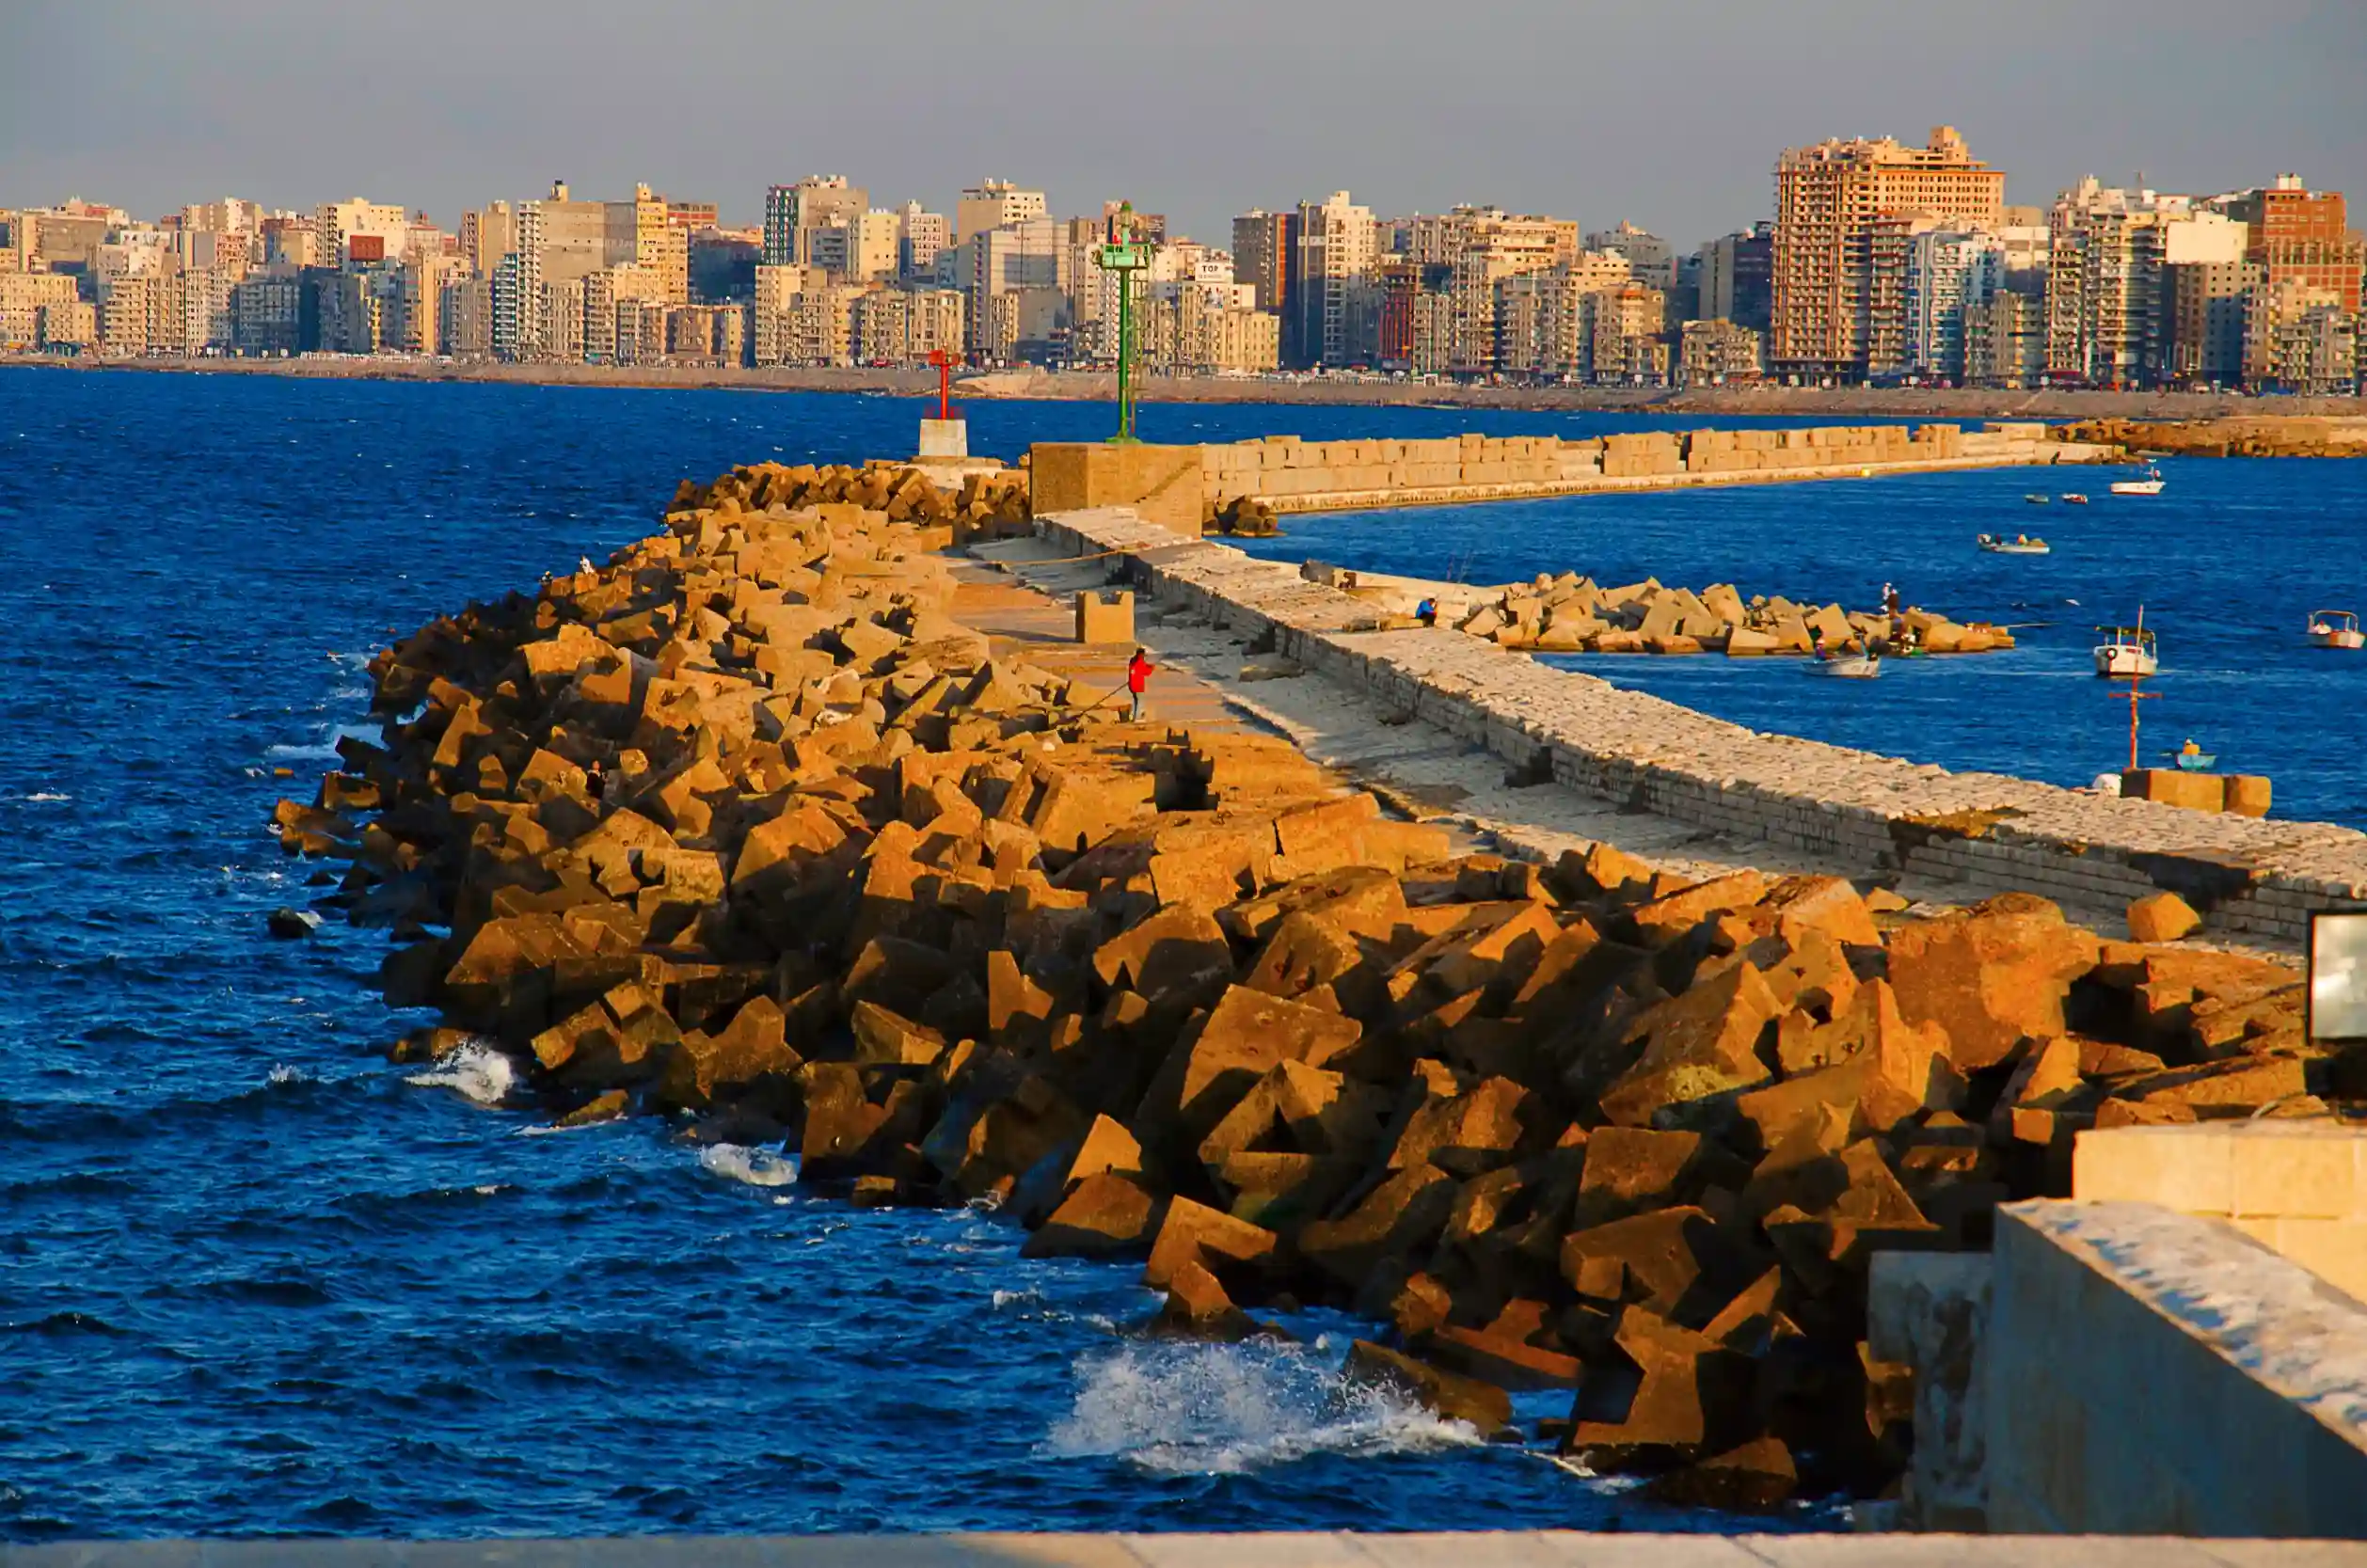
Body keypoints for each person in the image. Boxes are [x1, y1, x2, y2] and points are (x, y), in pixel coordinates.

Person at [1125, 646, 1155, 722]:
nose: (1144, 656)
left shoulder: (1132, 661)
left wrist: (1148, 666)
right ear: (1141, 654)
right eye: (1143, 655)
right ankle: (1138, 718)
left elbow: (1140, 668)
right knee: (1140, 702)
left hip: (1132, 685)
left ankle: (1132, 716)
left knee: (1135, 701)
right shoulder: (1140, 662)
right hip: (1138, 685)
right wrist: (1152, 668)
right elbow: (1146, 672)